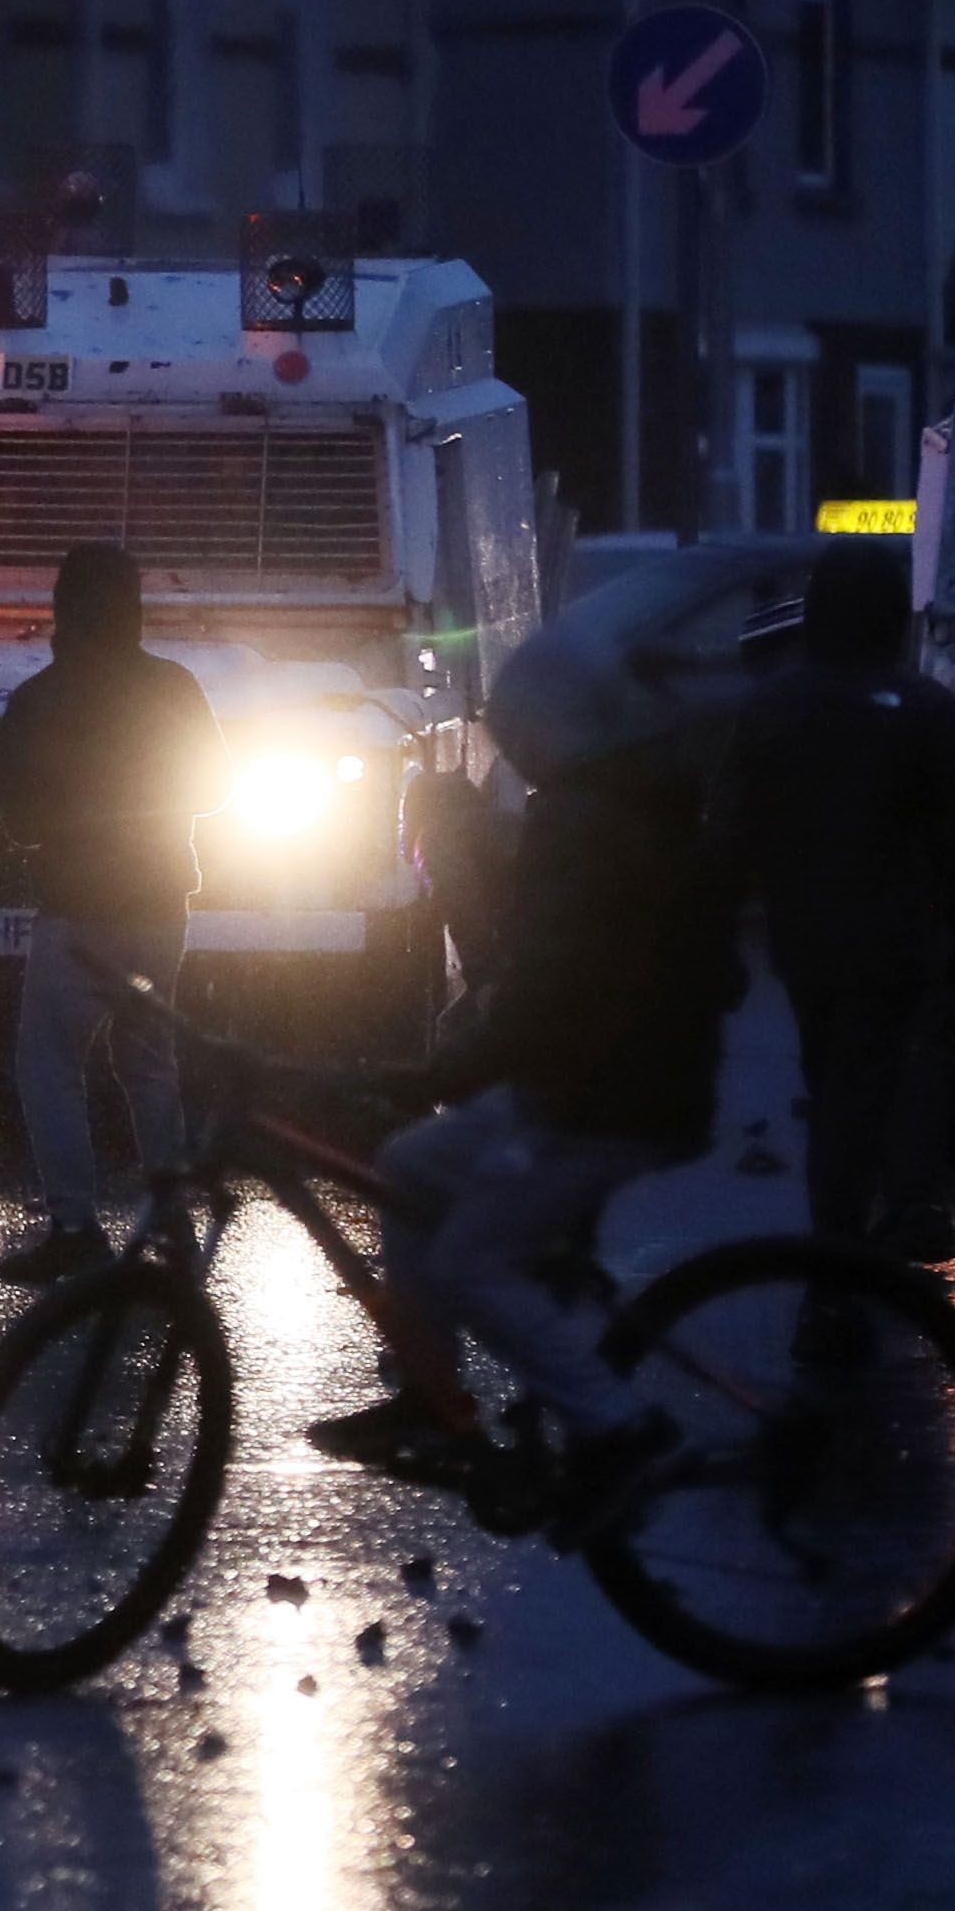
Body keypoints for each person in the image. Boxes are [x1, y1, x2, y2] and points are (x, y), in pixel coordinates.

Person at [311, 620, 739, 1544]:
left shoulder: (588, 821)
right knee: (410, 1167)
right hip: (597, 1077)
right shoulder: (621, 802)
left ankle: (621, 1430)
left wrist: (443, 1068)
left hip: (605, 1095)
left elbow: (549, 988)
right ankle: (433, 1398)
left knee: (472, 1258)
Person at [709, 536, 955, 1263]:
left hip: (806, 939)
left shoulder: (772, 708)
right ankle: (893, 1217)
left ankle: (840, 1254)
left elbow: (727, 835)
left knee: (832, 1080)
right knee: (893, 1070)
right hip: (901, 940)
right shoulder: (924, 709)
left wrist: (711, 942)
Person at [0, 541, 231, 1283]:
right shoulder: (174, 686)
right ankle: (171, 1221)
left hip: (77, 911)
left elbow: (18, 820)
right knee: (149, 1064)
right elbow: (216, 787)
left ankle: (73, 1225)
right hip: (160, 905)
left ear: (61, 608)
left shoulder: (38, 699)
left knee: (48, 1065)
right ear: (133, 609)